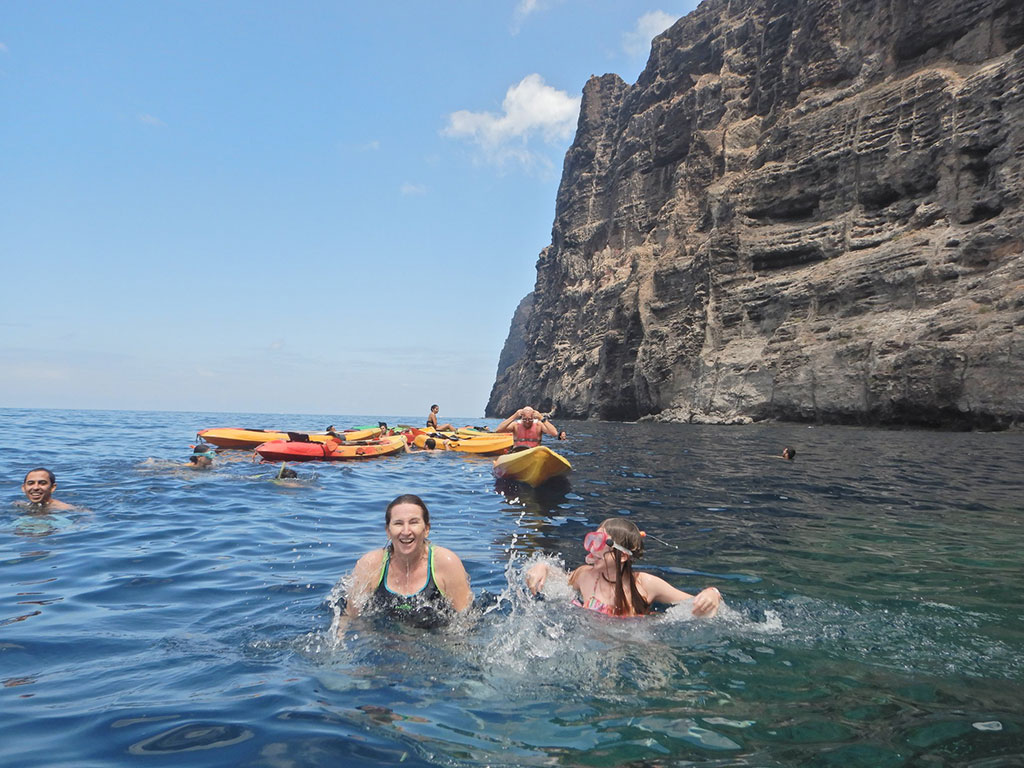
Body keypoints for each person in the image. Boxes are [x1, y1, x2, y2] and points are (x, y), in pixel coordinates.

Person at [525, 517, 722, 618]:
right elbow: (559, 581)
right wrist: (542, 567)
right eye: (592, 540)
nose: (592, 548)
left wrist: (713, 594)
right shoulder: (585, 575)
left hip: (638, 643)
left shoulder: (645, 584)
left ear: (622, 555)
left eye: (600, 542)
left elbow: (693, 603)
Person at [343, 494, 472, 629]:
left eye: (413, 522)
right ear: (388, 531)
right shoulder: (371, 565)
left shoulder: (446, 563)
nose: (406, 531)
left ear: (426, 529)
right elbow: (350, 618)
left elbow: (466, 622)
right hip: (384, 641)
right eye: (398, 523)